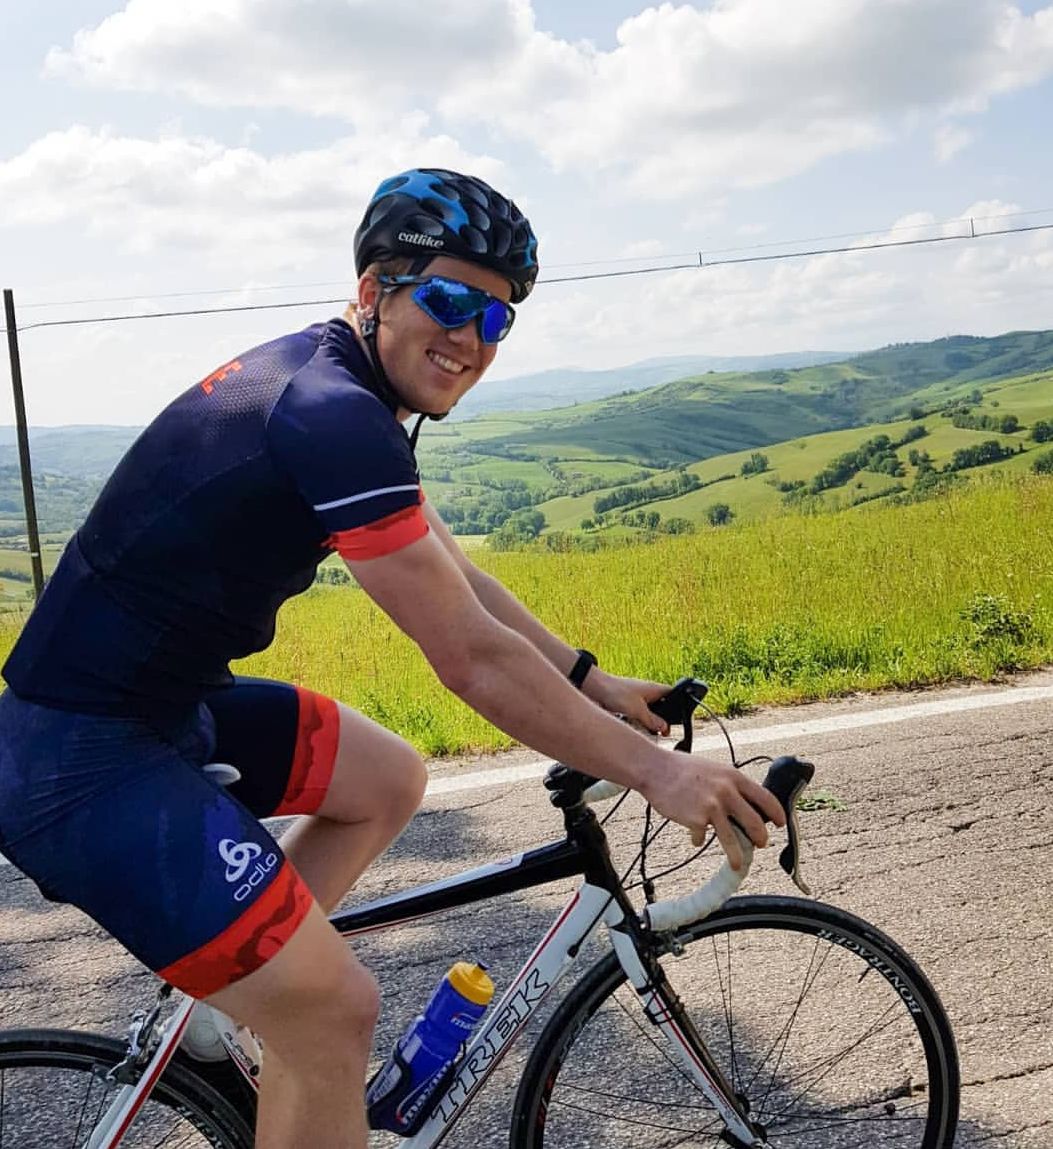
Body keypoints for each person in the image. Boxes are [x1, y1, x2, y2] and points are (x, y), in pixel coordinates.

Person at [0, 168, 783, 1148]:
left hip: (160, 709)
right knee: (335, 1013)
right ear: (373, 290)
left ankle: (227, 1001)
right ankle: (285, 1008)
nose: (471, 338)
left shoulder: (355, 394)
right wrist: (659, 773)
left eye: (495, 319)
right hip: (79, 757)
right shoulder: (326, 410)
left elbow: (458, 579)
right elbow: (468, 658)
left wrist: (589, 681)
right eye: (449, 301)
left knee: (385, 777)